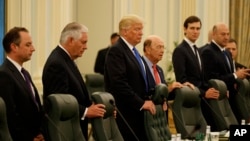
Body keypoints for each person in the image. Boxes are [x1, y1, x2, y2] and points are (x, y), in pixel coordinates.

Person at [42, 22, 106, 140]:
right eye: (83, 42)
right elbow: (60, 104)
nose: (86, 47)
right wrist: (86, 111)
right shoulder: (57, 63)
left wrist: (98, 108)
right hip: (65, 132)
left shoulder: (66, 59)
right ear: (71, 40)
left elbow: (76, 95)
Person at [104, 14, 155, 141]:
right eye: (137, 29)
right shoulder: (117, 51)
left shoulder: (134, 51)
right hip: (126, 113)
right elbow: (119, 83)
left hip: (137, 113)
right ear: (125, 31)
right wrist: (141, 103)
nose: (141, 33)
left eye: (141, 29)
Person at [172, 16, 220, 131]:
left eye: (198, 29)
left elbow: (201, 79)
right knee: (198, 135)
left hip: (201, 101)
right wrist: (204, 93)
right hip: (190, 102)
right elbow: (183, 80)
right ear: (185, 29)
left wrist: (213, 90)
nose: (195, 31)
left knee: (209, 132)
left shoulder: (197, 49)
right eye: (192, 28)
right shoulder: (180, 50)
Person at [0, 27, 45, 141]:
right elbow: (10, 115)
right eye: (28, 45)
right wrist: (29, 138)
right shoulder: (4, 74)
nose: (33, 49)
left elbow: (34, 107)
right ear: (14, 47)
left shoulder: (24, 73)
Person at [200, 23, 250, 124]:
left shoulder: (226, 52)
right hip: (217, 99)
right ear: (214, 34)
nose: (226, 37)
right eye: (223, 34)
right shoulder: (208, 52)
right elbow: (213, 79)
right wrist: (235, 75)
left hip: (229, 98)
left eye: (228, 34)